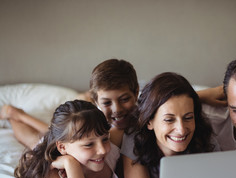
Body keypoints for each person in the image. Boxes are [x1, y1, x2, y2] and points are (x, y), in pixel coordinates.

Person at [121, 72, 219, 178]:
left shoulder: (205, 138)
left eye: (188, 118)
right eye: (169, 120)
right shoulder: (134, 138)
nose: (181, 129)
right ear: (149, 121)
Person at [0, 59, 139, 150]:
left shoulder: (142, 117)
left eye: (124, 99)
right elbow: (57, 134)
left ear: (136, 92)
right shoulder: (99, 122)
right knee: (39, 143)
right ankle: (17, 115)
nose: (117, 109)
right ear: (96, 100)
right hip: (77, 122)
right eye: (107, 102)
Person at [14, 100, 126, 178]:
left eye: (105, 139)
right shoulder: (53, 174)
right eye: (88, 145)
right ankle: (15, 115)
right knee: (33, 141)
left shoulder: (112, 143)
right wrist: (71, 163)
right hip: (51, 150)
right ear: (62, 147)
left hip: (63, 140)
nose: (102, 150)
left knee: (52, 133)